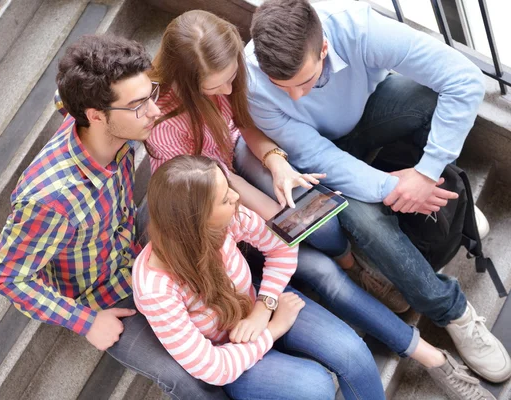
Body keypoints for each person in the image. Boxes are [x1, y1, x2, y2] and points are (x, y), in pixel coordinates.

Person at [243, 0, 511, 383]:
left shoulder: (357, 27)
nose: (297, 98)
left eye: (306, 82)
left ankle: (447, 197)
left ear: (323, 49)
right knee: (363, 218)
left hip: (371, 112)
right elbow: (319, 156)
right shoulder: (253, 81)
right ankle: (453, 312)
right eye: (284, 88)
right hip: (321, 161)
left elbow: (465, 80)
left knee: (430, 97)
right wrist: (394, 187)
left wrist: (425, 173)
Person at [133, 155, 495, 400]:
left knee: (353, 352)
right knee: (317, 386)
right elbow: (212, 368)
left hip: (260, 307)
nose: (236, 199)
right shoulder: (156, 288)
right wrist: (271, 331)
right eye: (225, 199)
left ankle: (431, 359)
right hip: (232, 356)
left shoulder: (230, 220)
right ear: (196, 222)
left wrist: (266, 305)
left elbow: (281, 247)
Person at [0, 34, 229, 400]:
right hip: (104, 296)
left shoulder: (100, 113)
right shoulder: (48, 199)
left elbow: (65, 97)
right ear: (95, 116)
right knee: (187, 381)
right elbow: (6, 275)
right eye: (137, 105)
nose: (155, 110)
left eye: (151, 93)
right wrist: (85, 322)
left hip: (137, 243)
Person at [147, 9, 409, 312]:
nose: (229, 90)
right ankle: (347, 267)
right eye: (215, 87)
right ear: (187, 83)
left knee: (316, 218)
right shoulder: (163, 126)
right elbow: (223, 181)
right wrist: (286, 215)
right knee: (308, 226)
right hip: (208, 193)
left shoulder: (226, 75)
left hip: (237, 150)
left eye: (232, 78)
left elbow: (244, 124)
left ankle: (348, 260)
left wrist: (278, 163)